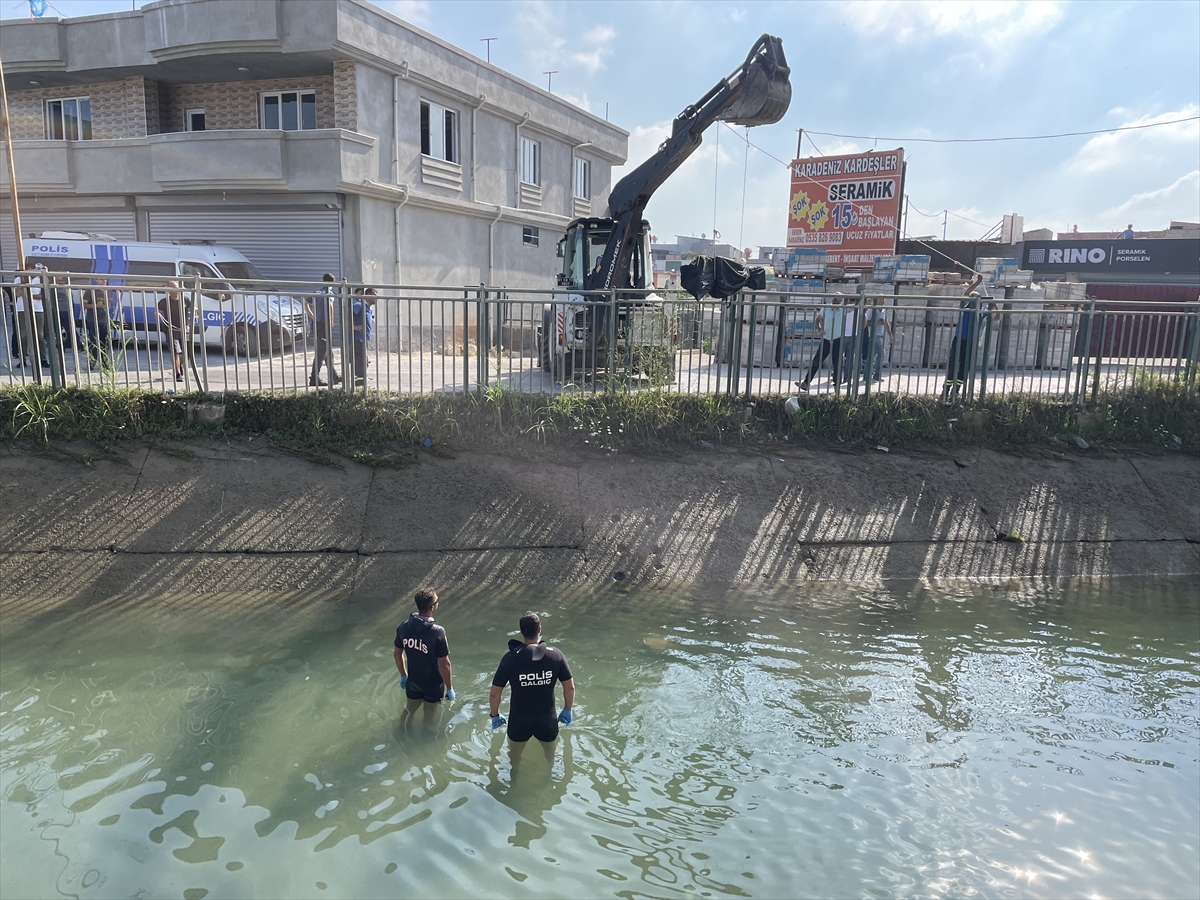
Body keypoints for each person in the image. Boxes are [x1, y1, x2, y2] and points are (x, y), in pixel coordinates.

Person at [489, 611, 575, 765]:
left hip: (519, 721)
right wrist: (567, 709)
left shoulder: (509, 659)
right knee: (551, 757)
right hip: (547, 720)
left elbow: (495, 693)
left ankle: (515, 775)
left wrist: (494, 714)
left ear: (521, 631)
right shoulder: (556, 656)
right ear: (539, 629)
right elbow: (570, 688)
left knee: (514, 760)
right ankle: (552, 775)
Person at [394, 587, 454, 726]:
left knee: (409, 709)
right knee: (430, 714)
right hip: (433, 685)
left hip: (413, 681)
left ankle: (401, 730)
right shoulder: (437, 632)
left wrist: (403, 675)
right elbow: (444, 664)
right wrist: (449, 688)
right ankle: (428, 737)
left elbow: (397, 653)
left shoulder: (404, 626)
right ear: (432, 607)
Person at [942, 286, 991, 402]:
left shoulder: (982, 310)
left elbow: (997, 316)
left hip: (971, 342)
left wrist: (993, 304)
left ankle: (956, 391)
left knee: (964, 367)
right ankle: (946, 390)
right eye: (974, 298)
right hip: (959, 340)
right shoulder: (966, 307)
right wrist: (977, 282)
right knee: (953, 365)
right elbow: (966, 293)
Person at [796, 292, 846, 392]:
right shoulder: (826, 309)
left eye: (838, 298)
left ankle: (837, 386)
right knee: (816, 361)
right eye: (834, 297)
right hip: (826, 339)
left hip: (838, 339)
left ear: (841, 300)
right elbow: (818, 319)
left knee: (837, 364)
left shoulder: (844, 309)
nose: (835, 299)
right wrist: (819, 329)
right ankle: (806, 383)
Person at [307, 273, 341, 387]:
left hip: (317, 323)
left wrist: (312, 316)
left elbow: (305, 303)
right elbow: (330, 306)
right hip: (324, 324)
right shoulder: (329, 293)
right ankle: (314, 378)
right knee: (322, 352)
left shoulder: (316, 292)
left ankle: (334, 376)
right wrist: (331, 321)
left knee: (328, 351)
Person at [15, 264, 48, 369]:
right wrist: (24, 285)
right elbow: (17, 294)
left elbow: (42, 296)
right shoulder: (18, 279)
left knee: (40, 336)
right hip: (22, 309)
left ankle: (43, 359)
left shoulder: (40, 279)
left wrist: (28, 295)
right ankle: (22, 360)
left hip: (37, 309)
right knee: (23, 336)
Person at [157, 280, 186, 382]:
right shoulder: (164, 301)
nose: (175, 290)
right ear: (168, 290)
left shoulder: (185, 299)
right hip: (171, 330)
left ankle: (178, 364)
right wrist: (157, 314)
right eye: (172, 288)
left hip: (184, 329)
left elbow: (193, 308)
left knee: (188, 353)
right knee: (175, 352)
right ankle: (178, 374)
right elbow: (157, 312)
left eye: (176, 287)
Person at [81, 277, 112, 368]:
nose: (104, 280)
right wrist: (96, 305)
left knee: (104, 343)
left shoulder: (109, 291)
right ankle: (92, 362)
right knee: (94, 342)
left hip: (105, 320)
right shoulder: (90, 290)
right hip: (94, 320)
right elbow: (84, 304)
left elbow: (109, 304)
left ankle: (104, 362)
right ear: (96, 280)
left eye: (105, 279)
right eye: (101, 279)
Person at [860, 300, 892, 382]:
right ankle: (876, 375)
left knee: (871, 356)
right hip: (873, 335)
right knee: (881, 354)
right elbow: (866, 323)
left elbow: (886, 323)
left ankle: (867, 375)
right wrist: (876, 322)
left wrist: (890, 335)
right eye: (880, 299)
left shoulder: (883, 310)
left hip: (880, 335)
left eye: (883, 299)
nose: (882, 301)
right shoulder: (871, 310)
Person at [351, 287, 376, 388]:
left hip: (364, 339)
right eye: (374, 295)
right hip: (358, 339)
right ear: (368, 295)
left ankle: (361, 384)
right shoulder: (359, 305)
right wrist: (353, 327)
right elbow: (346, 316)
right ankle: (360, 385)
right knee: (360, 363)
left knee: (364, 362)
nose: (376, 297)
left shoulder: (368, 309)